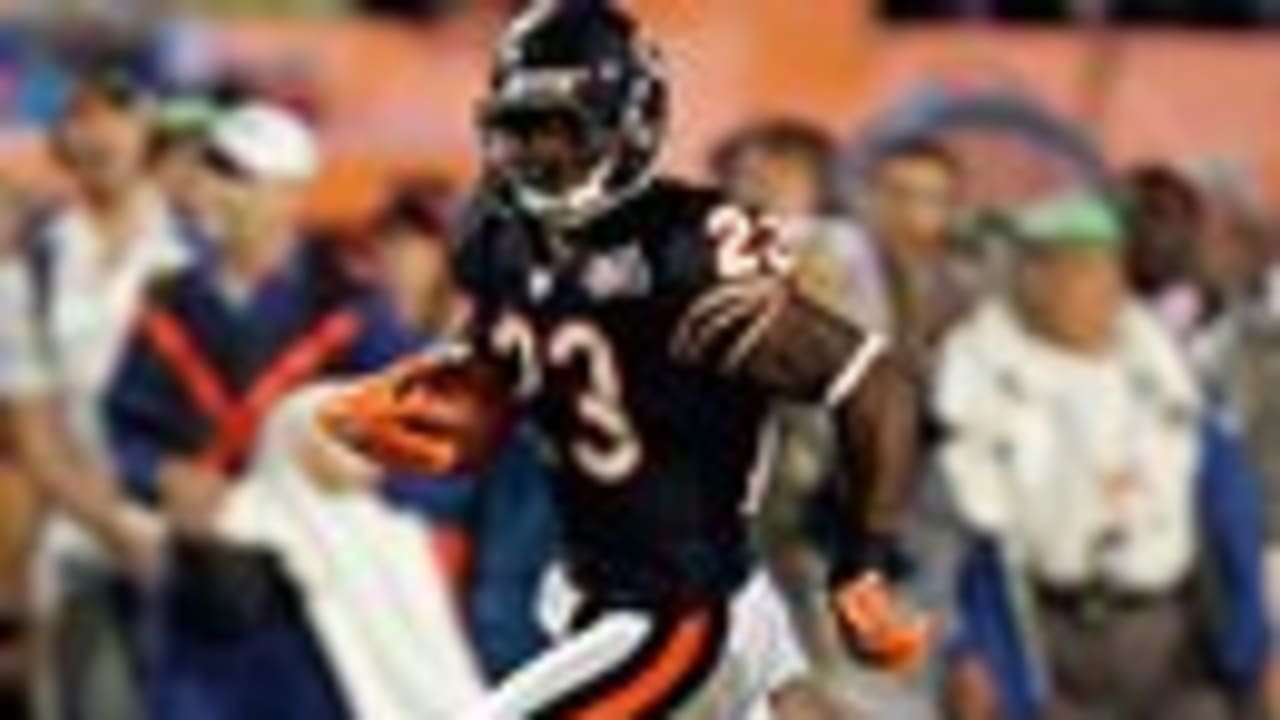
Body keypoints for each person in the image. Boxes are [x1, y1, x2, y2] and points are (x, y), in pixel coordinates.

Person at [321, 3, 928, 717]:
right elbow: (519, 361)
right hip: (597, 593)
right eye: (521, 129)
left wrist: (863, 560)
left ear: (633, 125)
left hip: (683, 608)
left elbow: (874, 383)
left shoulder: (685, 249)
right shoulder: (497, 238)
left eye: (561, 130)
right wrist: (446, 390)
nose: (538, 155)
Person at [103, 101, 409, 720]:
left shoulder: (349, 309)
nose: (214, 189)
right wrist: (161, 477)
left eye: (237, 174)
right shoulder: (167, 302)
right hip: (199, 602)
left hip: (317, 604)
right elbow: (125, 424)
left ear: (289, 195)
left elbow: (415, 426)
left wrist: (368, 466)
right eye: (212, 169)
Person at [935, 193, 1268, 719]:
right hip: (1045, 635)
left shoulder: (1160, 370)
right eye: (1060, 268)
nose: (1083, 287)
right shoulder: (974, 374)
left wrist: (1258, 644)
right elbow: (951, 538)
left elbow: (1229, 513)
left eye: (1095, 268)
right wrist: (966, 651)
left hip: (1168, 632)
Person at [0, 62, 200, 720]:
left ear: (149, 132)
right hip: (80, 538)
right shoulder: (34, 266)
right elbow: (35, 431)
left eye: (117, 112)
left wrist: (171, 519)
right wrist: (116, 527)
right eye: (80, 116)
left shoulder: (198, 254)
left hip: (193, 535)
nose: (99, 132)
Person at [857, 136, 977, 365]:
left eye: (929, 199)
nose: (911, 210)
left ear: (951, 209)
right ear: (869, 198)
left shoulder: (965, 290)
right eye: (898, 194)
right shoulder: (834, 263)